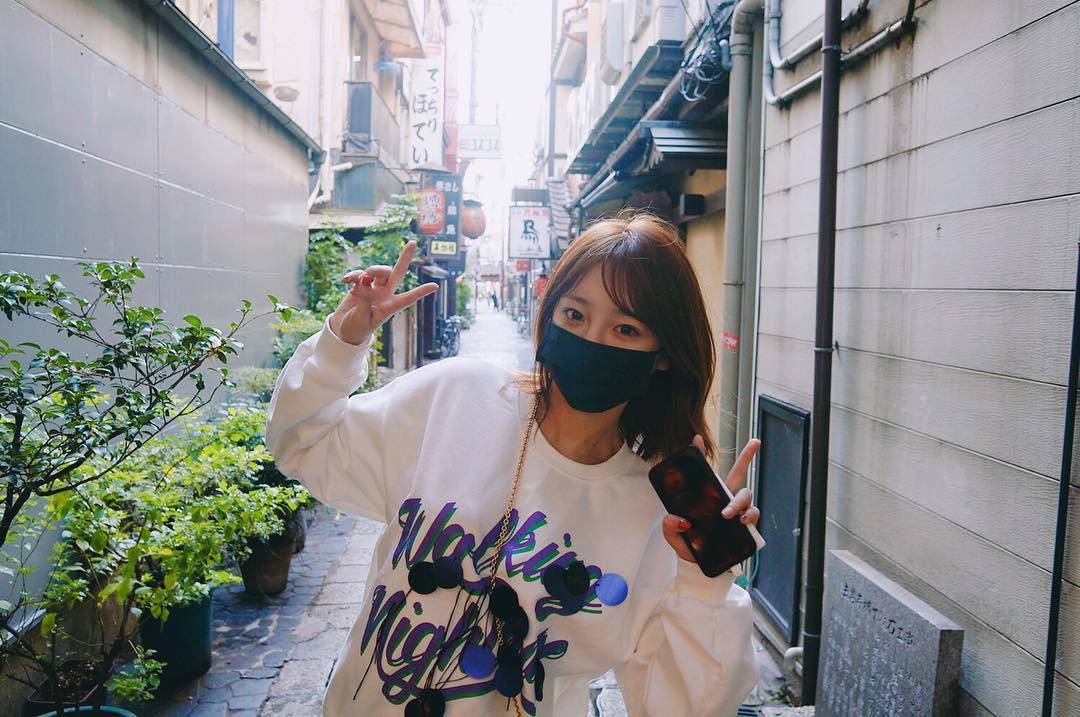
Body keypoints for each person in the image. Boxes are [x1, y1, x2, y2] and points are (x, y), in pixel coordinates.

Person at [267, 212, 762, 717]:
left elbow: (679, 707)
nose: (593, 339)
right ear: (549, 312)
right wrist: (342, 343)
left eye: (626, 328)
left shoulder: (658, 516)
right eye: (575, 314)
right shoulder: (456, 398)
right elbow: (303, 444)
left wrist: (703, 577)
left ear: (663, 355)